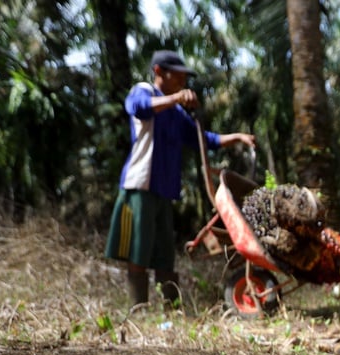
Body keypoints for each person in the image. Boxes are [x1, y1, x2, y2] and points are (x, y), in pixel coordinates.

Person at [105, 50, 256, 308]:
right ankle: (138, 308)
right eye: (178, 75)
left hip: (165, 190)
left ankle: (171, 309)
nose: (183, 81)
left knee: (164, 254)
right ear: (159, 72)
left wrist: (238, 137)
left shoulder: (176, 113)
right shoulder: (144, 92)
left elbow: (204, 139)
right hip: (140, 184)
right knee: (138, 250)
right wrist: (175, 98)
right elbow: (139, 109)